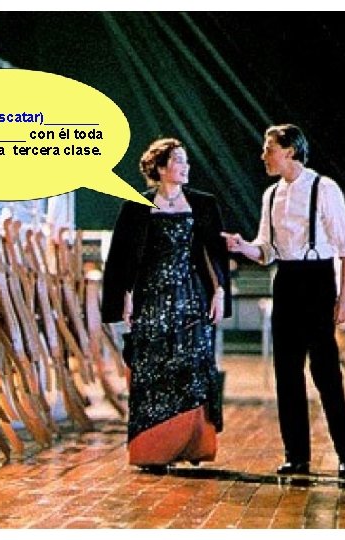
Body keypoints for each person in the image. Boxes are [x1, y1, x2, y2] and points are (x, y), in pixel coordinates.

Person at [222, 124, 345, 478]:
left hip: (317, 280)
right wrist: (242, 246)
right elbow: (266, 251)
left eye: (269, 149)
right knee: (286, 373)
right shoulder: (271, 195)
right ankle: (297, 455)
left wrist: (344, 298)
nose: (263, 156)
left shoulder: (323, 188)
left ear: (290, 151)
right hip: (285, 280)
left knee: (326, 373)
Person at [101, 137, 231, 473]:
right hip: (152, 298)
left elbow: (215, 254)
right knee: (151, 369)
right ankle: (153, 451)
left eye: (186, 161)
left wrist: (219, 292)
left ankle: (194, 445)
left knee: (192, 367)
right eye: (177, 161)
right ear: (159, 168)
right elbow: (120, 258)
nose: (185, 167)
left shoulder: (203, 204)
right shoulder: (136, 206)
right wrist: (124, 295)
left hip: (191, 297)